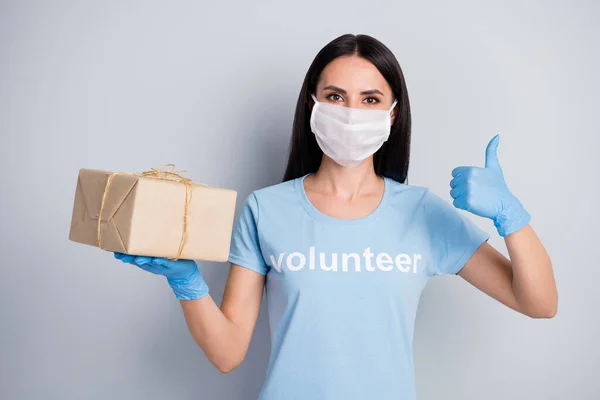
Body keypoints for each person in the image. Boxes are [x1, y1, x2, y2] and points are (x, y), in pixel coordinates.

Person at [114, 33, 558, 399]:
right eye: (335, 96)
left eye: (369, 99)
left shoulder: (422, 213)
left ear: (392, 112)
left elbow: (538, 303)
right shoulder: (266, 209)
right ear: (313, 104)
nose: (350, 113)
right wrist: (186, 283)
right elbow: (228, 353)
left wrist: (511, 217)